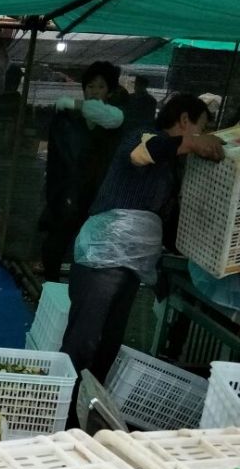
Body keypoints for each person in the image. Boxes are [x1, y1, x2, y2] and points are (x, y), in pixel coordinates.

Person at [61, 93, 224, 408]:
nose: (201, 136)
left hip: (132, 265)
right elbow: (143, 154)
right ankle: (61, 408)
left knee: (108, 343)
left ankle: (84, 412)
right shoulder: (144, 136)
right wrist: (191, 144)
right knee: (85, 340)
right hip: (103, 257)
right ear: (185, 120)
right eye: (200, 128)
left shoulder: (173, 168)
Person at [40, 61, 125, 282]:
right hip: (68, 190)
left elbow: (110, 117)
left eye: (101, 87)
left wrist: (74, 104)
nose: (94, 92)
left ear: (110, 92)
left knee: (90, 244)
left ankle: (83, 287)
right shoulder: (68, 118)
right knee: (57, 239)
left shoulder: (113, 117)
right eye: (90, 86)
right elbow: (59, 158)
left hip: (98, 193)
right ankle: (50, 284)